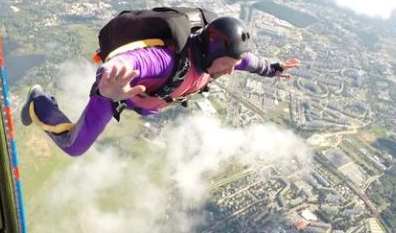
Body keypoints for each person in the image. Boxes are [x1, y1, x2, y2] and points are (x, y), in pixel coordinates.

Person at [20, 15, 299, 156]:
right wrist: (108, 85)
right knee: (75, 146)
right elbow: (130, 62)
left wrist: (273, 69)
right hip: (116, 93)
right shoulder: (166, 61)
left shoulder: (221, 59)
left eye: (232, 64)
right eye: (227, 64)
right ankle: (39, 100)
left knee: (144, 106)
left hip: (145, 99)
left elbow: (250, 62)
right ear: (211, 54)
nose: (230, 71)